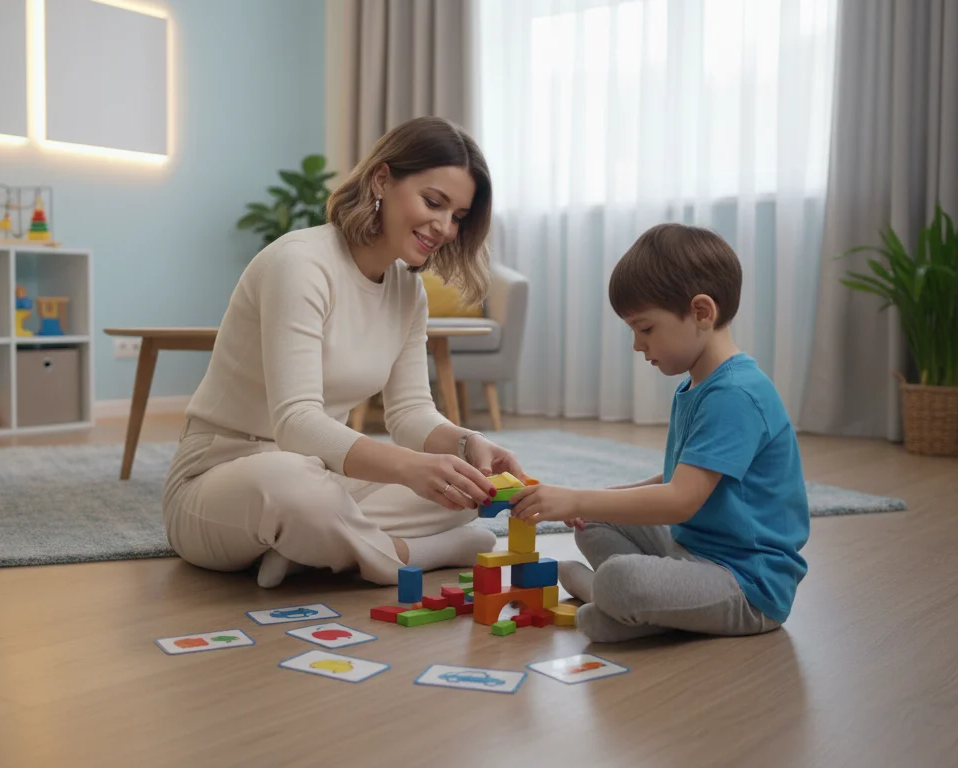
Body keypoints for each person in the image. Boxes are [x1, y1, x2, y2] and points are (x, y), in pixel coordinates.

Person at [164, 117, 525, 589]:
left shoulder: (408, 292)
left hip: (322, 473)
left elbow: (410, 413)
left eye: (458, 216)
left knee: (462, 492)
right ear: (382, 180)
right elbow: (296, 422)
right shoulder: (300, 263)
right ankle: (407, 556)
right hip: (220, 477)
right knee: (293, 486)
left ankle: (306, 548)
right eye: (433, 202)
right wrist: (410, 467)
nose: (444, 227)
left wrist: (465, 444)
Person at [510, 223, 809, 643]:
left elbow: (682, 499)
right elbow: (676, 477)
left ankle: (613, 599)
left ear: (701, 312)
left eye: (646, 329)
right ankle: (641, 609)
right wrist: (594, 501)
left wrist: (575, 498)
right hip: (694, 551)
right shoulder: (697, 386)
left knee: (619, 579)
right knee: (594, 518)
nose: (637, 344)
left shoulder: (735, 394)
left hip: (747, 585)